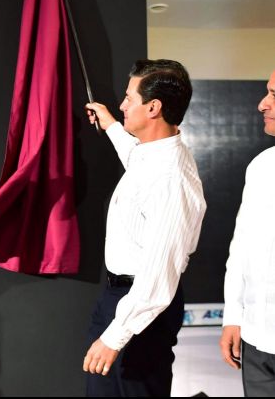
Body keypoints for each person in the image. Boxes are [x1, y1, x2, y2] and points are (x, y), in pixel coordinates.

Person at [82, 59, 207, 396]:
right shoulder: (153, 154)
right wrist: (110, 125)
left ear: (153, 108)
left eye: (129, 99)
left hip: (142, 311)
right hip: (122, 300)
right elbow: (136, 160)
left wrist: (114, 336)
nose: (122, 105)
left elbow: (158, 275)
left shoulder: (171, 179)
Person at [220, 69, 275, 396]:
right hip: (257, 340)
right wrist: (233, 316)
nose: (261, 105)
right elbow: (240, 249)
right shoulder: (260, 167)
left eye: (274, 95)